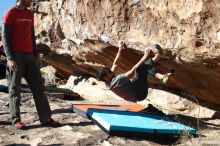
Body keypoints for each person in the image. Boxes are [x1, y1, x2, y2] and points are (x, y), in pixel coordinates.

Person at [1, 0, 60, 129]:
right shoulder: (9, 13)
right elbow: (4, 38)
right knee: (14, 89)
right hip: (16, 57)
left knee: (39, 88)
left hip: (30, 57)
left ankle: (46, 118)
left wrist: (36, 54)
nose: (31, 0)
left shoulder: (29, 14)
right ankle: (16, 119)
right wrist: (10, 58)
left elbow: (31, 36)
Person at [96, 41, 173, 102]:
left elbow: (115, 64)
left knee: (143, 69)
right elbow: (133, 70)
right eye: (109, 73)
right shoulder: (116, 82)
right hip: (140, 94)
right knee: (139, 70)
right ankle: (160, 54)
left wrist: (120, 48)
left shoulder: (109, 80)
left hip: (136, 87)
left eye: (109, 71)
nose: (111, 72)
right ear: (105, 78)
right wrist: (145, 56)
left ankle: (161, 76)